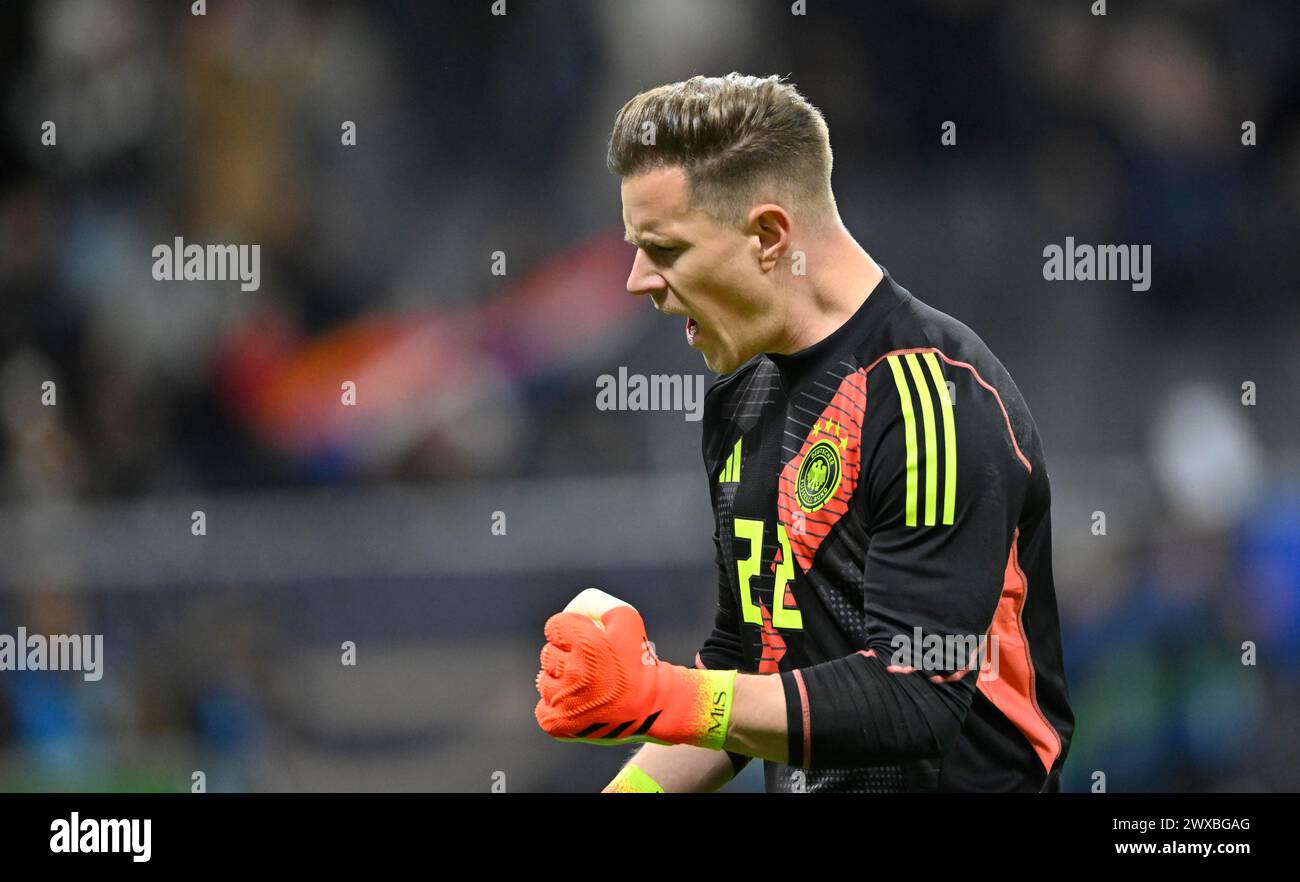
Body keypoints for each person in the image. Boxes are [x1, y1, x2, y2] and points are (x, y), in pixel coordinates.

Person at [534, 73, 1074, 792]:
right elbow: (751, 661)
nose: (638, 280)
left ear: (767, 236)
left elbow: (916, 698)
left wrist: (660, 694)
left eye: (663, 249)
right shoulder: (740, 399)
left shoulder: (932, 398)